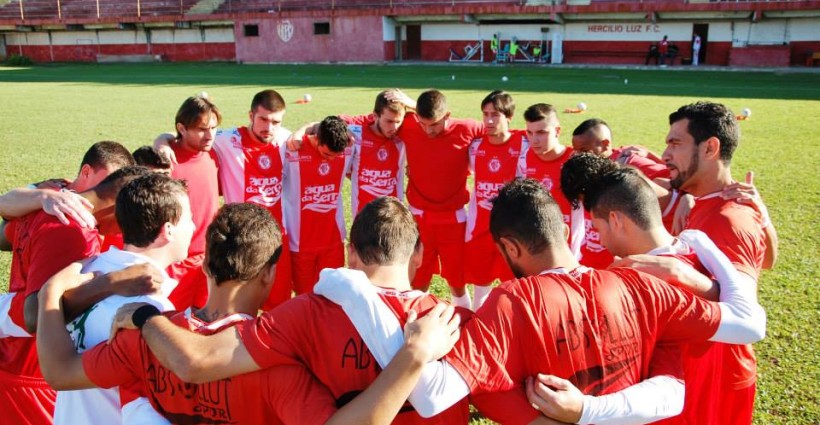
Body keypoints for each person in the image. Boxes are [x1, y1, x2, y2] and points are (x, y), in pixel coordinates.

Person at [317, 178, 766, 425]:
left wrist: (355, 291)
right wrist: (705, 247)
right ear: (564, 232)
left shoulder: (511, 303)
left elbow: (432, 396)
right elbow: (748, 326)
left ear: (510, 248)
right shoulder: (644, 286)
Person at [37, 202, 461, 425]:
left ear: (204, 265)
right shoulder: (275, 367)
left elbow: (58, 372)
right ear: (270, 275)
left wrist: (49, 297)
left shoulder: (139, 337)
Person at [0, 166, 155, 425]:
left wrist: (36, 196)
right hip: (33, 376)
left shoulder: (50, 206)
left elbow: (5, 235)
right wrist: (109, 283)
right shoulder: (73, 229)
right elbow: (35, 317)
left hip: (18, 365)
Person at [659, 101, 776, 424]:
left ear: (710, 148)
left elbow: (743, 313)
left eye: (675, 143)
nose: (665, 154)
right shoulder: (712, 202)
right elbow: (766, 259)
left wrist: (673, 272)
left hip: (715, 380)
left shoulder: (728, 218)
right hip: (703, 370)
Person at [390, 89, 485, 309]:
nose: (427, 130)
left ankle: (464, 321)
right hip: (418, 219)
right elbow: (373, 119)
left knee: (456, 280)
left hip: (453, 220)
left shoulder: (466, 128)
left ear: (447, 115)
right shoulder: (409, 125)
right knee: (418, 278)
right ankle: (412, 318)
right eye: (423, 124)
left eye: (434, 125)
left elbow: (498, 129)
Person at [464, 90, 526, 310]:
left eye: (495, 115)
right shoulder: (475, 146)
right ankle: (480, 326)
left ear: (509, 118)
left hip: (511, 231)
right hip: (480, 229)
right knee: (481, 286)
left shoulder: (523, 145)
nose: (489, 120)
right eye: (485, 114)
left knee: (513, 287)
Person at [159, 95, 221, 311]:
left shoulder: (213, 154)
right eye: (202, 129)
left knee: (205, 322)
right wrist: (161, 141)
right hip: (176, 261)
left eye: (213, 127)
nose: (210, 135)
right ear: (182, 128)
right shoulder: (165, 162)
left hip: (210, 259)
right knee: (171, 321)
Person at [283, 115, 352, 294]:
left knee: (333, 294)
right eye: (327, 154)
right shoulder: (293, 147)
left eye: (336, 156)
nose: (331, 160)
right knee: (304, 296)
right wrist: (304, 128)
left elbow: (372, 121)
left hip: (333, 241)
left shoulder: (350, 146)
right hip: (300, 244)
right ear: (317, 139)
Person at [0, 141, 134, 230]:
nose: (111, 188)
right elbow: (3, 205)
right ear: (86, 172)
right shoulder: (52, 190)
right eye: (108, 179)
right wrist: (45, 197)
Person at [344, 90, 407, 215]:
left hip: (394, 218)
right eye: (389, 121)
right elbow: (332, 122)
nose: (394, 127)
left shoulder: (404, 134)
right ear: (375, 116)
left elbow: (433, 118)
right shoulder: (357, 134)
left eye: (398, 122)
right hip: (363, 217)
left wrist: (411, 103)